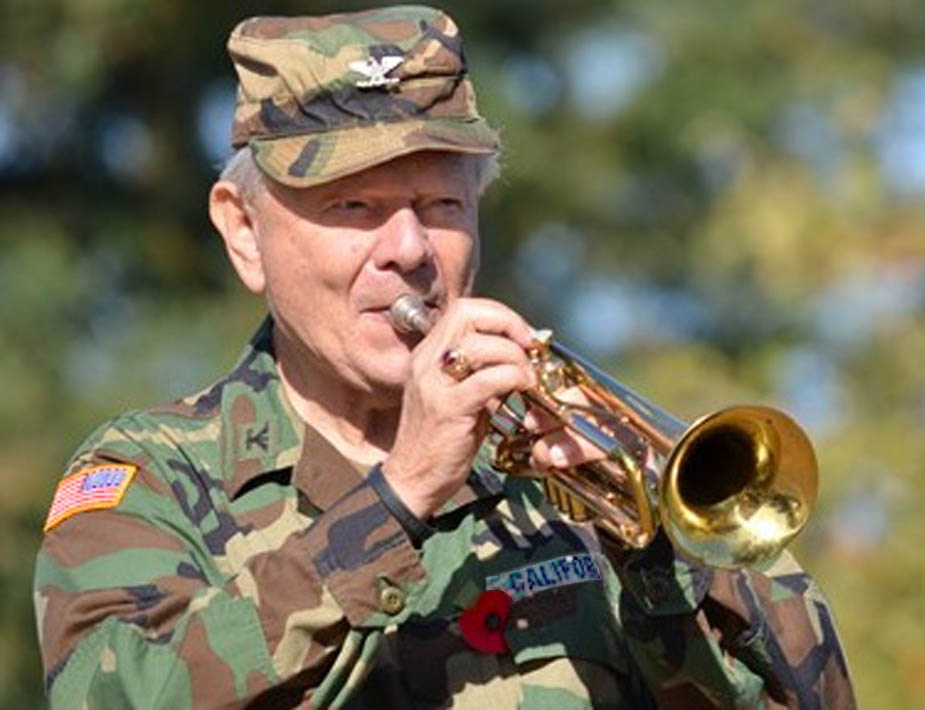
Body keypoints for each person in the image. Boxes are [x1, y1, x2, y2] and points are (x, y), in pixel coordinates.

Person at [34, 6, 855, 709]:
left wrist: (651, 558)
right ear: (244, 232)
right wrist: (398, 497)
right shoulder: (153, 475)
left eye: (440, 204)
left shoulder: (588, 476)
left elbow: (812, 691)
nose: (407, 249)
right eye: (352, 206)